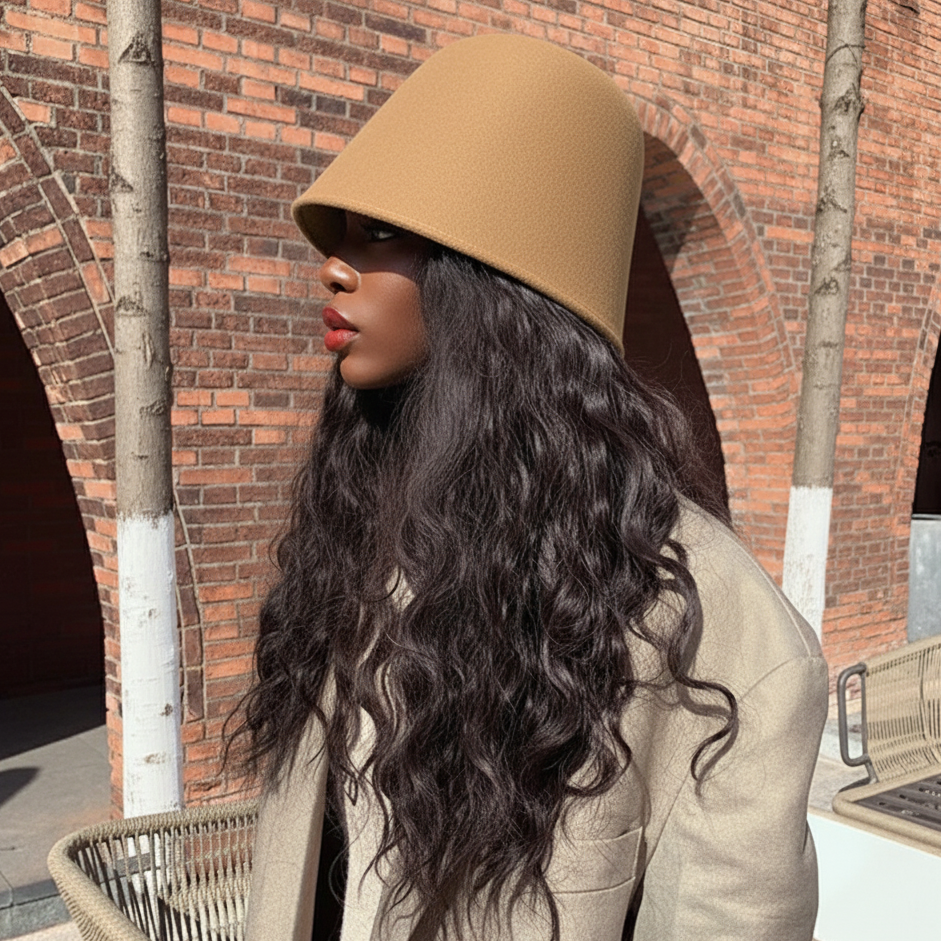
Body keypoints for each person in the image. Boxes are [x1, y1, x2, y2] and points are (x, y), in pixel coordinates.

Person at [232, 33, 828, 941]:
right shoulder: (353, 531)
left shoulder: (722, 639)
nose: (334, 265)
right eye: (343, 232)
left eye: (380, 233)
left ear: (497, 296)